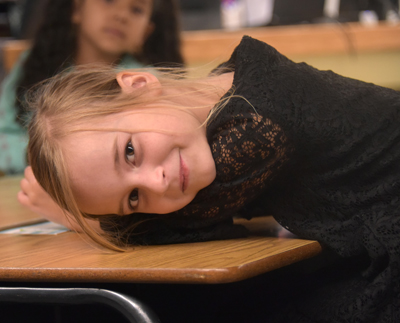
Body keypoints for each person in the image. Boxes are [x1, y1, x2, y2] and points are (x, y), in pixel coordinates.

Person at [20, 36, 399, 321]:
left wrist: (65, 213)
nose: (157, 183)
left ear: (139, 86)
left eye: (130, 152)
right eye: (133, 198)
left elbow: (159, 231)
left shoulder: (256, 124)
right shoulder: (227, 88)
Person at [0, 0, 183, 174]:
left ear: (145, 33)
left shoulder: (145, 84)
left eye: (136, 9)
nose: (121, 16)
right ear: (76, 9)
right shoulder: (34, 65)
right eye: (108, 0)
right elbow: (4, 130)